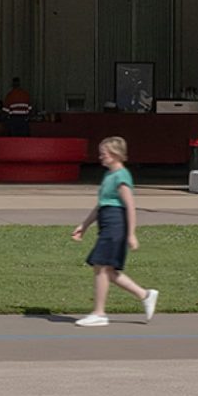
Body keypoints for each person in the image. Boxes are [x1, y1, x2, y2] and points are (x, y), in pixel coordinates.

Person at [70, 136, 155, 326]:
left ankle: (99, 313)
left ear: (116, 154)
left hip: (116, 224)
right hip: (106, 222)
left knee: (100, 265)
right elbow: (101, 205)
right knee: (107, 269)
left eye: (104, 153)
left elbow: (130, 206)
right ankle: (145, 295)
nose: (100, 157)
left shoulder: (122, 176)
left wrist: (131, 233)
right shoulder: (109, 175)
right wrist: (84, 226)